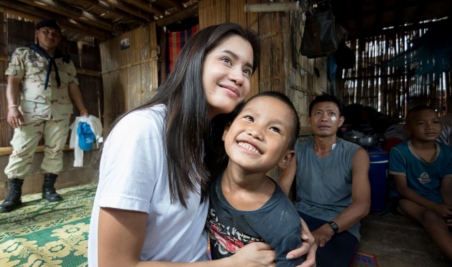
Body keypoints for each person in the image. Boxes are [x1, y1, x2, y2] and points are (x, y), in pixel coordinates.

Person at [88, 23, 315, 267]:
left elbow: (243, 192)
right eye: (227, 60)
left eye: (247, 70)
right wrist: (228, 265)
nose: (239, 77)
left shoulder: (211, 139)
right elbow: (115, 264)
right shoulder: (142, 132)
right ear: (195, 60)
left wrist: (289, 228)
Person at [0, 18, 89, 213]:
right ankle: (14, 195)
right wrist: (12, 107)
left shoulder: (65, 61)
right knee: (21, 150)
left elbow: (73, 86)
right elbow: (12, 82)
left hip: (61, 112)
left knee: (55, 150)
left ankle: (49, 189)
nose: (51, 35)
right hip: (30, 112)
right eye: (46, 31)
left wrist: (82, 110)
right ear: (37, 34)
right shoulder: (23, 54)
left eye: (55, 33)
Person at [207, 91, 305, 266]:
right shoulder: (207, 179)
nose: (256, 132)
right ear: (226, 131)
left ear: (285, 158)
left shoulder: (284, 224)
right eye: (250, 118)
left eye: (274, 129)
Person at [280, 94, 371, 267]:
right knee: (281, 253)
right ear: (309, 120)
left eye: (331, 114)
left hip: (340, 222)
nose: (324, 118)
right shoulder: (298, 149)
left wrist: (329, 229)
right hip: (302, 216)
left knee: (325, 261)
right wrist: (285, 219)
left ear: (340, 121)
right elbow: (283, 188)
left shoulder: (356, 154)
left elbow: (362, 205)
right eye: (318, 113)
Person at [389, 105, 452, 260]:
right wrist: (435, 207)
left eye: (435, 122)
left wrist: (449, 209)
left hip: (436, 196)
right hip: (407, 199)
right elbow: (402, 189)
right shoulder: (399, 152)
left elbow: (447, 188)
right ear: (408, 129)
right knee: (430, 217)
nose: (430, 127)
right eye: (421, 123)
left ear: (442, 126)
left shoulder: (447, 152)